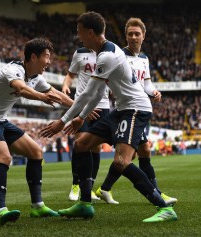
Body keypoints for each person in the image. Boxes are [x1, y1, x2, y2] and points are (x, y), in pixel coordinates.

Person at [40, 12, 178, 222]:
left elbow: (87, 94)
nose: (79, 38)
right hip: (122, 109)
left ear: (90, 32)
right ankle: (85, 203)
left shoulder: (107, 56)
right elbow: (96, 94)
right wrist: (81, 117)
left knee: (122, 161)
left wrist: (63, 121)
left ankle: (163, 208)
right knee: (83, 143)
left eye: (80, 33)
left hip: (135, 109)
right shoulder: (107, 51)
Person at [0, 38, 74, 225]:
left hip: (0, 120)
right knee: (4, 158)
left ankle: (38, 206)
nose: (49, 62)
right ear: (33, 57)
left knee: (36, 152)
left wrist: (81, 107)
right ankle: (0, 211)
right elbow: (21, 88)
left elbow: (57, 94)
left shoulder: (36, 78)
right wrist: (41, 97)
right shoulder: (13, 70)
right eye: (46, 57)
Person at [95, 17, 178, 205]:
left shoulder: (144, 59)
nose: (133, 37)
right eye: (130, 34)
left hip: (139, 108)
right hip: (126, 109)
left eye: (137, 34)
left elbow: (146, 84)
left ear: (143, 36)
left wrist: (154, 91)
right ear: (126, 36)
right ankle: (156, 193)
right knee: (134, 154)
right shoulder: (118, 56)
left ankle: (104, 189)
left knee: (138, 152)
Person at [62, 46, 110, 202]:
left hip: (102, 106)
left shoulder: (109, 52)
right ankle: (76, 184)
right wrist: (65, 85)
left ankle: (88, 188)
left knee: (96, 147)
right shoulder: (80, 52)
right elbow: (70, 74)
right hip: (81, 103)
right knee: (80, 141)